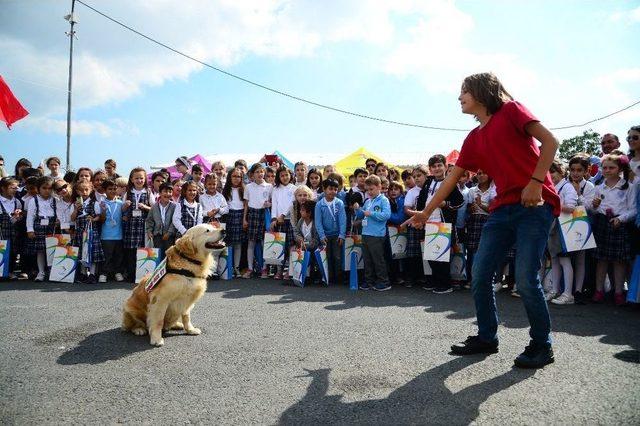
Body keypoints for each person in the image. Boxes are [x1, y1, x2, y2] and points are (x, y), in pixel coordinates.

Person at [406, 72, 560, 369]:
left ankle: (542, 345)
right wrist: (426, 212)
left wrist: (536, 182)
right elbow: (452, 178)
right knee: (479, 274)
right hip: (502, 210)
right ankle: (487, 337)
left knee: (527, 279)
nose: (459, 97)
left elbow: (551, 142)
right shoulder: (474, 138)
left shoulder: (512, 110)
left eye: (464, 91)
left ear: (480, 91)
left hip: (535, 205)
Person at [411, 154, 464, 294]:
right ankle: (435, 281)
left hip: (443, 223)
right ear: (430, 169)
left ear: (446, 167)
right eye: (434, 166)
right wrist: (419, 218)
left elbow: (460, 202)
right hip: (428, 222)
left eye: (440, 165)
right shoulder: (428, 182)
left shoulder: (451, 183)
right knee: (430, 255)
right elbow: (421, 202)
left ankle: (445, 284)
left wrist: (445, 204)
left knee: (442, 256)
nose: (437, 168)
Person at [589, 154, 636, 306]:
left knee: (619, 261)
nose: (607, 170)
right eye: (604, 167)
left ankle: (618, 292)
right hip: (602, 223)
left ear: (620, 169)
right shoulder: (599, 187)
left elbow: (633, 210)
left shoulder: (628, 186)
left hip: (619, 224)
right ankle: (598, 290)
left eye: (612, 167)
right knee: (601, 260)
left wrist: (620, 219)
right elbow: (593, 210)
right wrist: (594, 206)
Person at [546, 160, 578, 305]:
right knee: (554, 260)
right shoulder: (552, 186)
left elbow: (571, 208)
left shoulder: (567, 187)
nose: (550, 175)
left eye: (552, 171)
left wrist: (552, 203)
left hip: (564, 228)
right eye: (547, 172)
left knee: (565, 260)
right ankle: (554, 290)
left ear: (561, 171)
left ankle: (568, 293)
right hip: (553, 227)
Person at [354, 175, 391, 291]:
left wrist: (370, 214)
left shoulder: (384, 200)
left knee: (378, 260)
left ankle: (384, 282)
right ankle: (369, 281)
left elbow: (386, 215)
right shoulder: (368, 201)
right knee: (367, 259)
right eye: (367, 190)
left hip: (377, 235)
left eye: (371, 189)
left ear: (379, 186)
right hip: (366, 233)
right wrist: (357, 209)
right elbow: (361, 215)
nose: (369, 192)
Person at [566, 154, 595, 302]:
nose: (575, 173)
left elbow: (590, 207)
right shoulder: (566, 183)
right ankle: (566, 288)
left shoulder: (589, 186)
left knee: (581, 259)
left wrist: (578, 194)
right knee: (566, 258)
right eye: (572, 170)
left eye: (579, 170)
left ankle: (578, 289)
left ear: (585, 171)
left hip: (583, 223)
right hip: (566, 223)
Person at [122, 167, 154, 282]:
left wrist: (145, 207)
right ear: (131, 179)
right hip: (131, 225)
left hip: (143, 225)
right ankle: (131, 274)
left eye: (141, 178)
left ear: (145, 179)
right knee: (131, 251)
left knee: (142, 250)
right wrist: (125, 205)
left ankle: (141, 274)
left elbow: (154, 209)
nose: (139, 180)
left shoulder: (149, 192)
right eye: (136, 178)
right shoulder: (128, 193)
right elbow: (122, 209)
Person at [464, 170, 496, 286]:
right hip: (474, 221)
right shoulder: (472, 190)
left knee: (485, 251)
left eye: (484, 173)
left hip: (487, 221)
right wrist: (471, 208)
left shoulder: (493, 190)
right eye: (478, 173)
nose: (481, 176)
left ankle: (484, 279)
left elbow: (493, 210)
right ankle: (472, 278)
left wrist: (480, 205)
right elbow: (467, 208)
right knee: (472, 251)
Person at [71, 180, 104, 283]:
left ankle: (93, 274)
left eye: (86, 190)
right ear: (77, 191)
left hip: (91, 231)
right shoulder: (75, 204)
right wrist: (76, 210)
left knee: (92, 253)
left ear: (91, 190)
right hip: (80, 232)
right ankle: (83, 273)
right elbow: (72, 218)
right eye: (81, 190)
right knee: (82, 253)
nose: (84, 192)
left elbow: (99, 216)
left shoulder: (94, 203)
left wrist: (93, 219)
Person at [25, 176, 58, 282]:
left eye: (49, 188)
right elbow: (30, 216)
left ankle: (52, 271)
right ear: (38, 188)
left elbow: (60, 212)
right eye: (44, 188)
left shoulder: (55, 200)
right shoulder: (33, 200)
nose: (47, 190)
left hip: (52, 226)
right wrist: (30, 230)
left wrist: (59, 220)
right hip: (39, 226)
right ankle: (41, 272)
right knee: (40, 251)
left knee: (52, 249)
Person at [315, 178, 347, 285]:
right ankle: (328, 277)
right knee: (327, 256)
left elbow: (343, 220)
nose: (333, 191)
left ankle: (338, 277)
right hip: (325, 236)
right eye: (330, 189)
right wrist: (322, 235)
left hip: (337, 235)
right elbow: (318, 222)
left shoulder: (340, 203)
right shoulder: (319, 204)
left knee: (337, 256)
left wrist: (342, 235)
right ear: (324, 189)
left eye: (335, 189)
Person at [403, 165, 428, 287]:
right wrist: (420, 214)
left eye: (419, 176)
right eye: (414, 176)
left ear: (426, 175)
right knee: (413, 252)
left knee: (427, 251)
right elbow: (407, 209)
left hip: (430, 223)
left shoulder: (431, 189)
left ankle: (426, 277)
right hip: (414, 223)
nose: (417, 178)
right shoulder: (412, 192)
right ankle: (411, 278)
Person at [270, 166, 296, 280]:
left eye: (286, 175)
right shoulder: (275, 189)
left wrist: (283, 215)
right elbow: (274, 204)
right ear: (278, 177)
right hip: (278, 222)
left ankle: (288, 271)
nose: (284, 177)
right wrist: (273, 219)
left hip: (290, 220)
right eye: (282, 175)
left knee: (290, 246)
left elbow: (292, 203)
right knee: (279, 246)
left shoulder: (294, 188)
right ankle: (279, 271)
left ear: (290, 175)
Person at [97, 179, 124, 283]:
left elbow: (124, 217)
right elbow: (101, 220)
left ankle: (117, 272)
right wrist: (103, 210)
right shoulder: (101, 203)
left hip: (119, 235)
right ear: (105, 190)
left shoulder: (121, 203)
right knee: (107, 256)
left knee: (118, 256)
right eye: (109, 189)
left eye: (114, 189)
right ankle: (104, 273)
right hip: (106, 235)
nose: (112, 191)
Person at [0, 177, 26, 279]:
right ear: (3, 188)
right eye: (12, 187)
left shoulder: (17, 202)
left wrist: (18, 216)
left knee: (13, 250)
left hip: (14, 231)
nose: (15, 190)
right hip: (1, 230)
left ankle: (10, 271)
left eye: (16, 188)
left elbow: (19, 219)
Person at [222, 168, 246, 277]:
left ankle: (236, 267)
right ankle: (229, 266)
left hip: (240, 215)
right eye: (234, 176)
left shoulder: (244, 189)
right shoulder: (226, 190)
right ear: (229, 177)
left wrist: (244, 218)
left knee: (238, 244)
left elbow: (246, 205)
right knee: (229, 243)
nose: (236, 179)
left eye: (239, 177)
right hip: (229, 216)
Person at [292, 199, 321, 284]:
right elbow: (296, 232)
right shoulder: (301, 221)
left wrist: (306, 246)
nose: (300, 211)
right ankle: (301, 275)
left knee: (314, 256)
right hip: (303, 246)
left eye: (303, 210)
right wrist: (299, 239)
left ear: (309, 213)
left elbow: (316, 239)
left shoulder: (315, 223)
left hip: (314, 247)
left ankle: (316, 275)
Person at [145, 182, 177, 253]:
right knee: (158, 256)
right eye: (165, 191)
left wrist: (169, 233)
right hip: (157, 236)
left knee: (169, 256)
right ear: (160, 193)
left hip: (170, 237)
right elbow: (149, 220)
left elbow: (175, 221)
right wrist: (149, 231)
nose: (168, 194)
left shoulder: (174, 206)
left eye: (170, 192)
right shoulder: (154, 207)